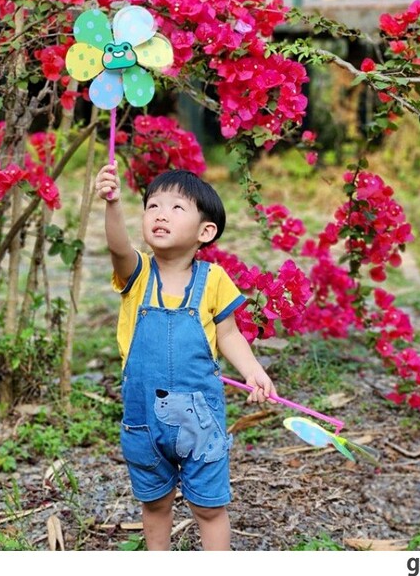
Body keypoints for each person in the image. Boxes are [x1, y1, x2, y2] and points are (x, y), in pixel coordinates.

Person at [94, 162, 277, 551]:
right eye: (152, 206)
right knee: (155, 502)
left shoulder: (213, 280)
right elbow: (118, 247)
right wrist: (112, 205)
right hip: (143, 418)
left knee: (209, 507)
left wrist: (252, 370)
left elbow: (228, 333)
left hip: (201, 423)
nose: (160, 214)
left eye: (177, 208)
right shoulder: (138, 274)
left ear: (204, 232)